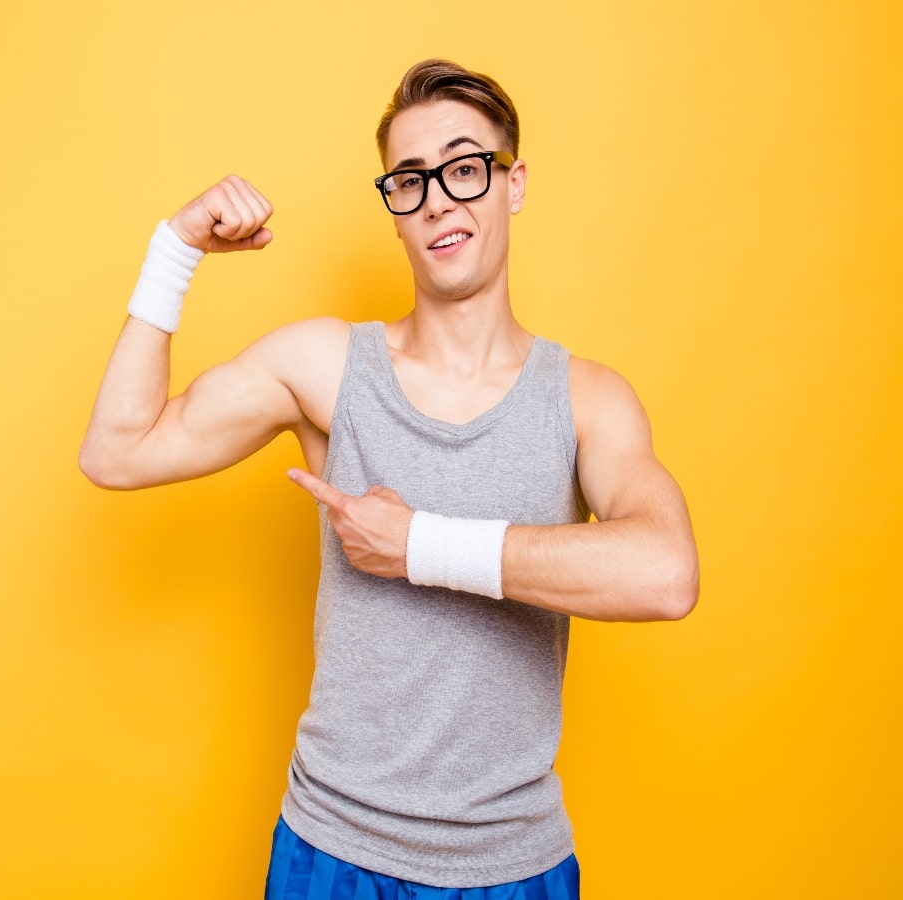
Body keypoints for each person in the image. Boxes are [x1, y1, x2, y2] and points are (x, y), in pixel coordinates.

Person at [80, 58, 698, 900]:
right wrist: (174, 249)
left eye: (464, 167)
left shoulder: (587, 400)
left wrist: (419, 545)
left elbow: (666, 574)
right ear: (396, 212)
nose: (438, 197)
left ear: (513, 185)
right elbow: (117, 451)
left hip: (512, 865)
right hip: (332, 850)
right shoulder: (328, 367)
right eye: (410, 180)